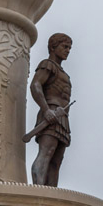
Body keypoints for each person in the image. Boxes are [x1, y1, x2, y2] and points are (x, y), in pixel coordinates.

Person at [30, 34, 72, 187]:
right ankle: (39, 191)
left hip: (63, 117)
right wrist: (46, 109)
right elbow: (35, 85)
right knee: (46, 153)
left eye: (69, 48)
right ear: (53, 47)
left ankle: (51, 192)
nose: (68, 51)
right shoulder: (48, 65)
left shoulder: (64, 74)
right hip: (51, 112)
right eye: (65, 47)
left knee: (57, 159)